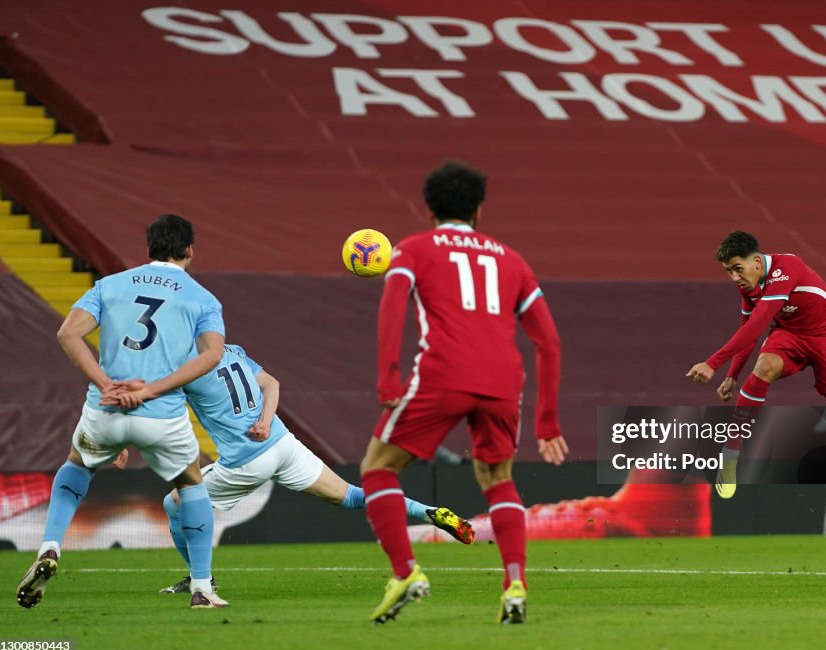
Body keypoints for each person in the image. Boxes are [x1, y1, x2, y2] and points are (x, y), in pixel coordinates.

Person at [360, 160, 568, 625]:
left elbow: (392, 307)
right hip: (502, 383)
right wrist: (548, 420)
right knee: (497, 480)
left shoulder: (412, 250)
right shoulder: (511, 259)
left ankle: (406, 573)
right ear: (479, 209)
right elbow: (548, 341)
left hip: (443, 375)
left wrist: (388, 376)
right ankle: (515, 582)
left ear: (428, 208)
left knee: (377, 468)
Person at [136, 344, 475, 594]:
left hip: (245, 460)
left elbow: (157, 412)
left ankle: (201, 579)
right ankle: (430, 510)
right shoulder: (234, 351)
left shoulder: (187, 369)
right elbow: (272, 384)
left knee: (175, 503)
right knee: (353, 497)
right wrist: (266, 422)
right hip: (284, 444)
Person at [16, 214, 229, 610]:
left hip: (106, 406)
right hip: (161, 413)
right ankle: (202, 587)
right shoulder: (202, 298)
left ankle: (49, 546)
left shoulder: (110, 285)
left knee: (77, 465)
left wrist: (104, 383)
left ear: (149, 248)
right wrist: (152, 389)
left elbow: (68, 333)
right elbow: (212, 354)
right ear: (189, 250)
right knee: (191, 484)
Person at [685, 230, 826, 535]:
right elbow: (748, 329)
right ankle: (731, 454)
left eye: (737, 269)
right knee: (765, 365)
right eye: (728, 272)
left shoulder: (787, 269)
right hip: (790, 337)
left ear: (757, 262)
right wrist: (732, 375)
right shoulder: (750, 284)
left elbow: (759, 324)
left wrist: (713, 363)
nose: (734, 278)